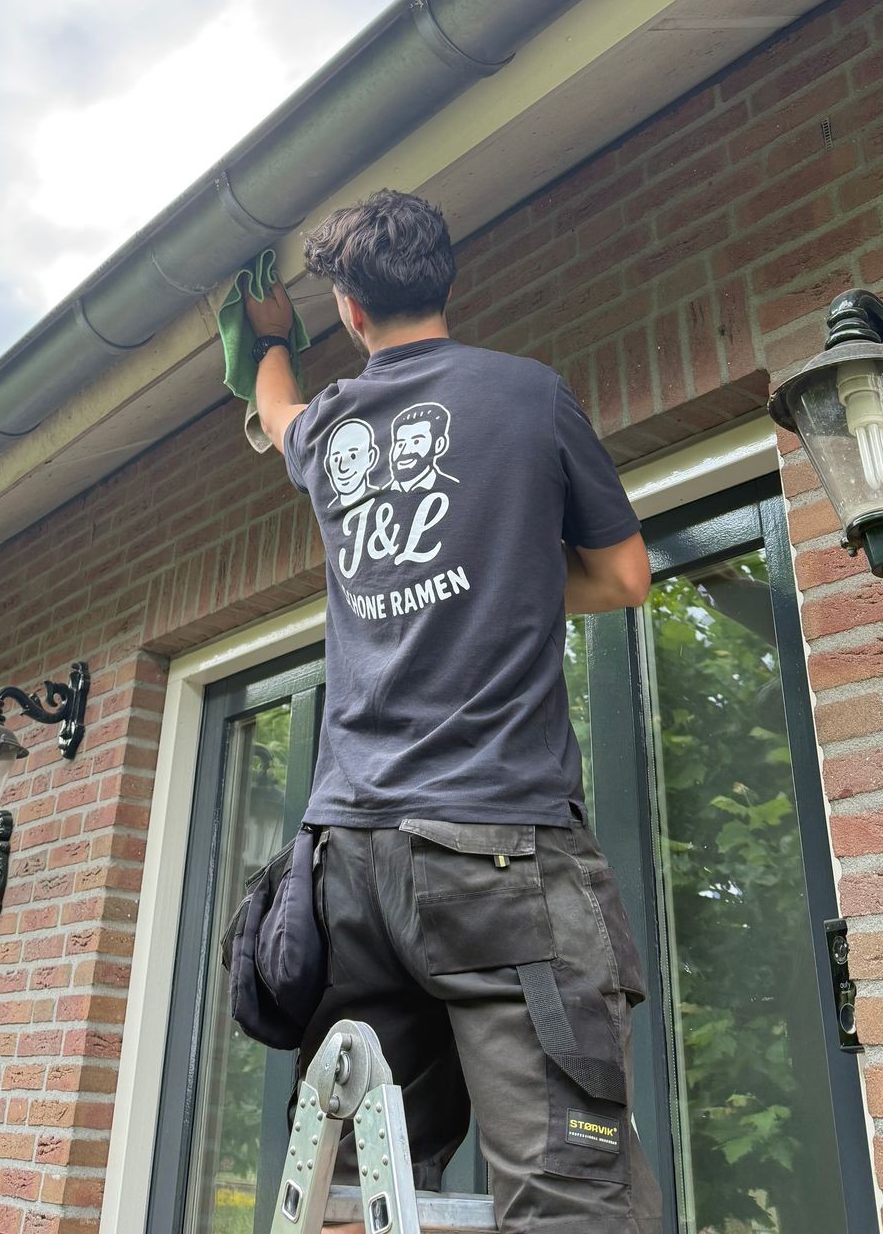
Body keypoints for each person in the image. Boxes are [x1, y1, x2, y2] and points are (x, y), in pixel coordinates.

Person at [244, 187, 662, 1234]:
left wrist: (267, 339)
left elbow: (278, 410)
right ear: (445, 281)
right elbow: (625, 577)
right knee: (568, 1195)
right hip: (498, 858)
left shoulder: (332, 427)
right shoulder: (528, 395)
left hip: (350, 864)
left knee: (351, 1193)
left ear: (351, 310)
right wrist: (508, 575)